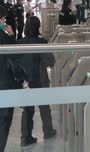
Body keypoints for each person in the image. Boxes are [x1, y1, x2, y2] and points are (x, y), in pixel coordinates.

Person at [18, 16, 57, 146]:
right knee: (44, 107)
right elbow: (50, 61)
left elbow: (17, 62)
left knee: (27, 109)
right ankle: (48, 130)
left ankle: (25, 136)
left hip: (26, 81)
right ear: (38, 27)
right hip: (40, 79)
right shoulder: (42, 42)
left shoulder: (20, 43)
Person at [0, 5, 26, 152]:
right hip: (4, 85)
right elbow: (15, 56)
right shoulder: (3, 36)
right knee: (4, 122)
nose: (4, 21)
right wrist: (11, 36)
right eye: (2, 19)